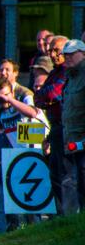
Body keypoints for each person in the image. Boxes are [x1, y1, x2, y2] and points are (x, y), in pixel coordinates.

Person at [0, 77, 41, 232]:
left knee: (35, 203)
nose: (4, 101)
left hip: (34, 155)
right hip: (18, 159)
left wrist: (10, 100)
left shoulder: (20, 104)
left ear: (12, 92)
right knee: (20, 204)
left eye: (6, 95)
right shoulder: (0, 112)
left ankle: (38, 232)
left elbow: (33, 113)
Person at [35, 36, 70, 213]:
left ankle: (69, 214)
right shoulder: (54, 72)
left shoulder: (66, 71)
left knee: (65, 174)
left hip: (66, 127)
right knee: (55, 173)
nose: (54, 54)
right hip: (55, 127)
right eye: (51, 51)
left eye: (57, 50)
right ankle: (62, 216)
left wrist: (44, 97)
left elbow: (51, 95)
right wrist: (44, 97)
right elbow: (38, 98)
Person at [61, 39, 85, 213]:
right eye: (65, 55)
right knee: (74, 181)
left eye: (72, 54)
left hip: (83, 139)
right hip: (71, 138)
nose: (67, 57)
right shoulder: (70, 77)